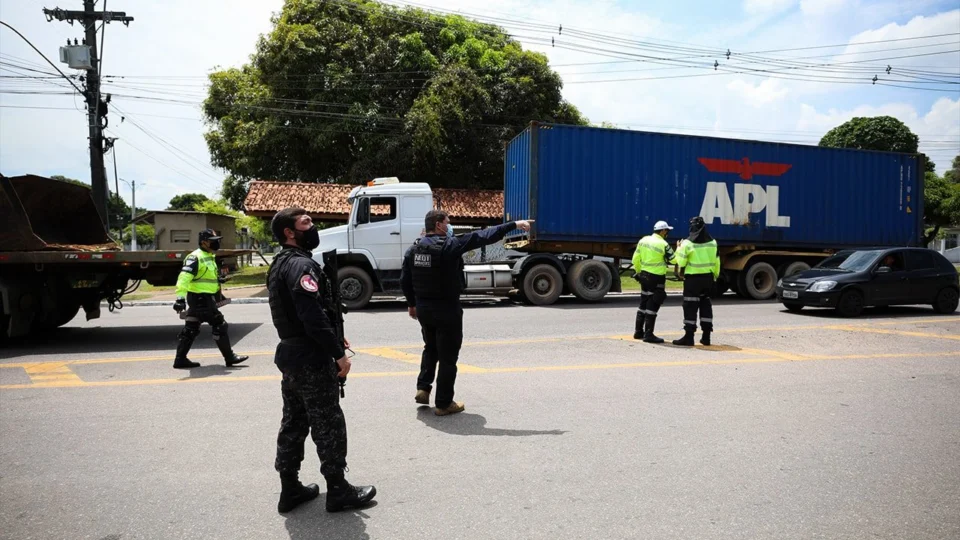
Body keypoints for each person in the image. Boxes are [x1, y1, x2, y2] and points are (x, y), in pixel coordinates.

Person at [267, 207, 376, 514]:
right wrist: (338, 355)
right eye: (306, 223)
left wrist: (332, 336)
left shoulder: (279, 264)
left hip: (291, 355)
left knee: (294, 422)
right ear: (290, 232)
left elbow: (299, 315)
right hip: (311, 359)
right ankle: (338, 490)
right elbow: (311, 316)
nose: (313, 227)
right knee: (328, 422)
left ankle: (290, 489)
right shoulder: (302, 265)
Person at [401, 211, 533, 416]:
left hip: (424, 310)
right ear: (438, 225)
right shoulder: (449, 246)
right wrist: (515, 224)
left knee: (431, 347)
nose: (450, 226)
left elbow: (405, 280)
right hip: (447, 309)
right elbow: (484, 236)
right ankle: (444, 404)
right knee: (448, 357)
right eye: (448, 223)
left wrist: (411, 304)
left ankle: (423, 388)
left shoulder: (414, 249)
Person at [172, 229, 248, 369]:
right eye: (213, 241)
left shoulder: (208, 256)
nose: (217, 243)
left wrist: (218, 279)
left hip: (202, 298)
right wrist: (180, 298)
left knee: (191, 327)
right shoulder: (195, 257)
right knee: (219, 325)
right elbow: (184, 278)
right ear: (204, 242)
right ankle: (229, 357)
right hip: (201, 299)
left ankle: (180, 359)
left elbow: (202, 276)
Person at [672, 216, 720, 347]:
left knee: (690, 307)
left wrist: (678, 248)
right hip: (708, 279)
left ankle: (689, 337)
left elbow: (680, 262)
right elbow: (717, 263)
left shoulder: (687, 243)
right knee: (706, 306)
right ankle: (706, 337)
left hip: (693, 280)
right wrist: (714, 277)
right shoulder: (713, 243)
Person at [631, 220, 676, 343]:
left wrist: (639, 272)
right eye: (667, 231)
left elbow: (635, 259)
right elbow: (674, 260)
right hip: (657, 278)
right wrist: (680, 248)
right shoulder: (663, 244)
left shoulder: (643, 240)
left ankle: (638, 332)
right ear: (662, 231)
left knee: (643, 302)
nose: (667, 233)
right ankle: (648, 334)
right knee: (654, 303)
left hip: (644, 276)